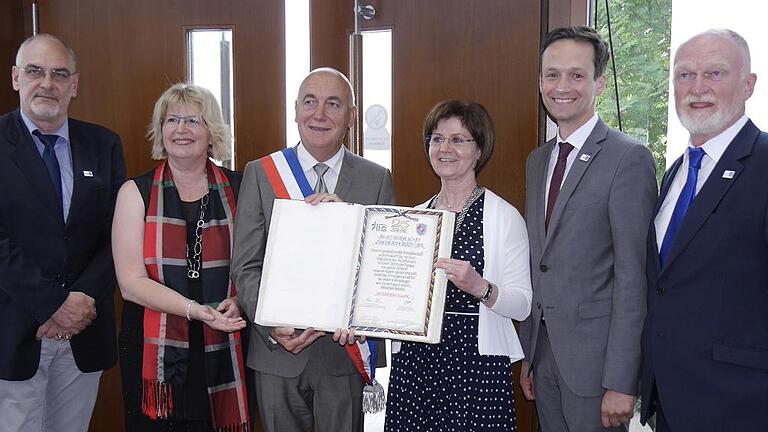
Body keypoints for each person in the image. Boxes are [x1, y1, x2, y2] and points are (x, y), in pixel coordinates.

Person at [231, 67, 394, 432]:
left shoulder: (376, 178)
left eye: (333, 104)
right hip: (276, 354)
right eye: (310, 101)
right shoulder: (261, 172)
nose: (319, 114)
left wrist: (348, 222)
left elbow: (382, 270)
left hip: (343, 355)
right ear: (295, 109)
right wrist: (273, 326)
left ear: (352, 116)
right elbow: (245, 265)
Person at [518, 26, 657, 431]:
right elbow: (540, 264)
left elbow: (634, 278)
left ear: (598, 83)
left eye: (577, 75)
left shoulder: (627, 158)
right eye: (552, 74)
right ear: (540, 81)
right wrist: (531, 352)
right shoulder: (537, 161)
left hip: (597, 373)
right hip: (544, 359)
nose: (562, 86)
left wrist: (621, 380)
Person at [640, 29, 767, 431]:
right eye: (684, 75)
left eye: (715, 73)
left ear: (748, 85)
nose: (698, 88)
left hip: (741, 403)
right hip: (672, 401)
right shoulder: (677, 171)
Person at [0, 34, 126, 432]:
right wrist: (53, 304)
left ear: (74, 85)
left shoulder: (103, 144)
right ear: (16, 78)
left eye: (59, 74)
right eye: (35, 71)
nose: (47, 83)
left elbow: (116, 233)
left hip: (83, 330)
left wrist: (80, 302)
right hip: (14, 330)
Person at [384, 100, 532, 431]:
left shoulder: (504, 217)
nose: (445, 148)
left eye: (458, 139)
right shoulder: (414, 218)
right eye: (437, 139)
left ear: (479, 149)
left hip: (477, 364)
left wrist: (480, 287)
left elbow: (522, 305)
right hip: (416, 362)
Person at [112, 83, 250, 431]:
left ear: (212, 131)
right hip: (152, 348)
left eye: (194, 120)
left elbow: (260, 264)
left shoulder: (243, 187)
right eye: (172, 119)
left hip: (227, 342)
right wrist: (195, 311)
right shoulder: (135, 192)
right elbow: (130, 284)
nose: (181, 129)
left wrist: (240, 299)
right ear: (161, 129)